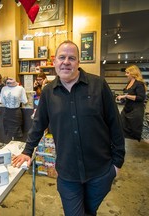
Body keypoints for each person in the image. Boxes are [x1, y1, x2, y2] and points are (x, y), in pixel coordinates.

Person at [12, 40, 125, 216]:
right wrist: (28, 150)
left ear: (78, 62)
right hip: (67, 173)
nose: (66, 61)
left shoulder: (99, 85)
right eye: (62, 57)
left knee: (90, 211)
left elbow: (115, 124)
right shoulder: (48, 92)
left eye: (71, 58)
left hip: (100, 171)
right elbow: (39, 124)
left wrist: (117, 163)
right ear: (55, 62)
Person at [116, 65, 147, 141]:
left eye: (127, 73)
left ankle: (135, 149)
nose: (125, 74)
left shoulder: (139, 84)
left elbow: (141, 98)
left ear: (133, 73)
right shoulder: (129, 82)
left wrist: (126, 96)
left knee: (133, 132)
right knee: (121, 127)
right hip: (126, 110)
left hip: (135, 112)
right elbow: (127, 96)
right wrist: (121, 99)